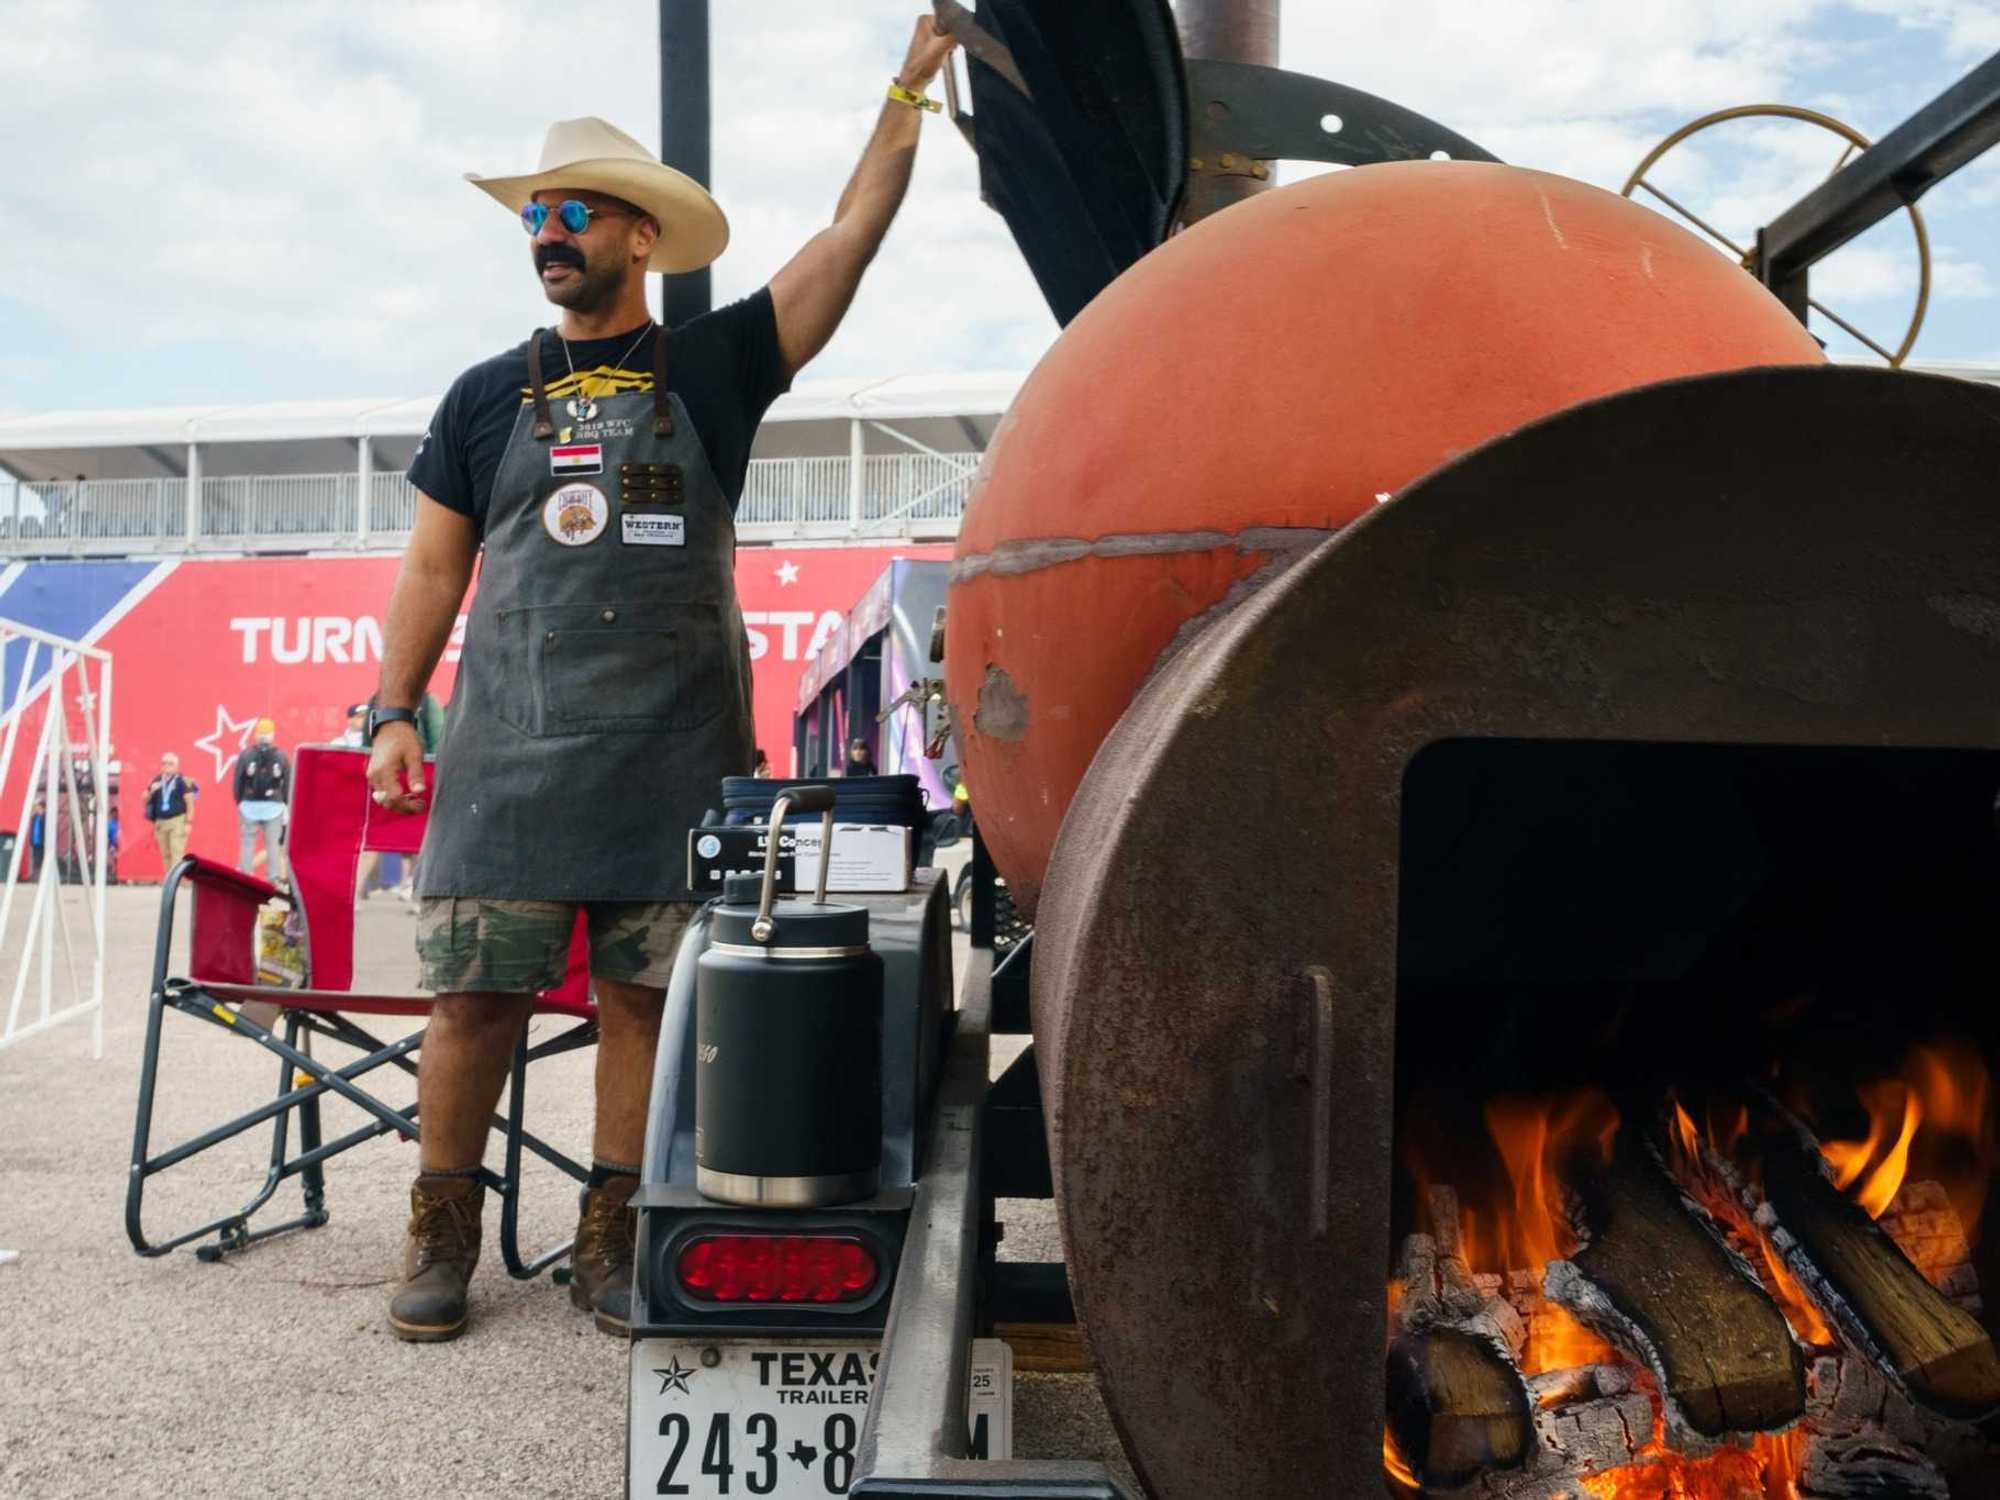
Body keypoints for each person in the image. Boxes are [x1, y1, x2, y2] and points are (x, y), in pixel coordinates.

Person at [365, 16, 958, 1346]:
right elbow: (428, 570)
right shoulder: (479, 396)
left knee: (644, 1005)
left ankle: (611, 1239)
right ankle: (439, 1233)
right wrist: (396, 708)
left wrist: (906, 87)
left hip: (672, 759)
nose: (549, 231)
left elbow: (848, 237)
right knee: (470, 1008)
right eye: (538, 214)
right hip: (504, 755)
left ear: (642, 237)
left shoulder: (718, 366)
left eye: (576, 212)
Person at [234, 718, 290, 884]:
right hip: (274, 805)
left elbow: (238, 780)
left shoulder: (245, 755)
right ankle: (272, 879)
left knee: (247, 842)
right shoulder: (281, 756)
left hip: (249, 804)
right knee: (273, 844)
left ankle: (245, 876)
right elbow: (287, 781)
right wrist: (284, 802)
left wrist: (240, 801)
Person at [143, 752, 199, 873]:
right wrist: (151, 791)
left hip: (177, 821)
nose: (166, 766)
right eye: (164, 763)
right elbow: (144, 798)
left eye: (170, 764)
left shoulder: (181, 781)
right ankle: (169, 881)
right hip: (161, 823)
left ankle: (176, 880)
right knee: (165, 854)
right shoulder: (157, 780)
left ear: (177, 766)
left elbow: (189, 802)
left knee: (176, 852)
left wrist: (189, 823)